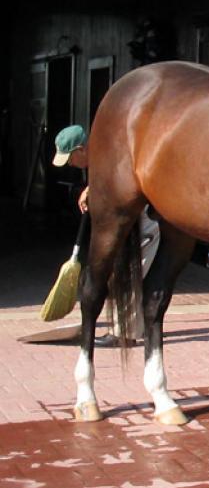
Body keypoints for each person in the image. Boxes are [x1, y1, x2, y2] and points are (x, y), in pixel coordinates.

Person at [52, 125, 160, 347]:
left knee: (131, 270)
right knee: (126, 272)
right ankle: (135, 328)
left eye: (71, 158)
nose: (70, 164)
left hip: (146, 220)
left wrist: (94, 188)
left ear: (82, 149)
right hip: (130, 222)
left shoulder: (111, 151)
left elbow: (124, 176)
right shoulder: (100, 157)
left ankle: (125, 334)